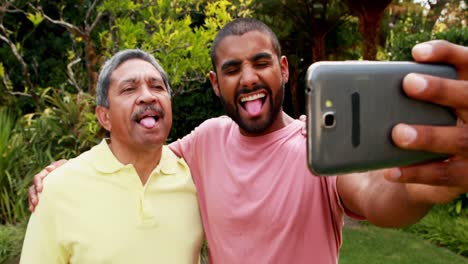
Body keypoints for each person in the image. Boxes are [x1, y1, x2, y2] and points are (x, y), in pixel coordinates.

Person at [29, 18, 468, 264]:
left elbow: (376, 197)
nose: (249, 78)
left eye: (260, 63)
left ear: (283, 70)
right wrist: (68, 172)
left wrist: (420, 184)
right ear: (215, 84)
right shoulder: (204, 142)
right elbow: (139, 154)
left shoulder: (317, 148)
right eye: (232, 69)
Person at [20, 49, 203, 263]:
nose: (147, 96)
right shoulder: (58, 188)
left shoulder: (196, 180)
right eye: (129, 89)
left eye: (157, 87)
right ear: (105, 117)